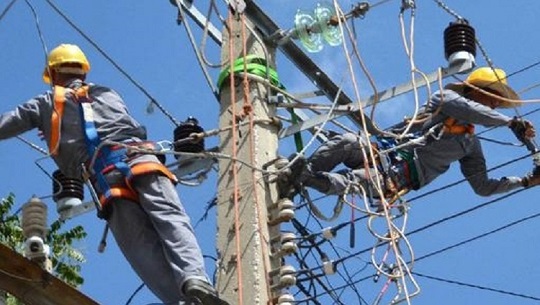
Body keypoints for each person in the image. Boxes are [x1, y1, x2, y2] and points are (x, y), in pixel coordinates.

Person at [0, 43, 229, 305]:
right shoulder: (109, 94)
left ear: (52, 75)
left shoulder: (45, 103)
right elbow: (100, 122)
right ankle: (194, 278)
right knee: (172, 220)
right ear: (83, 72)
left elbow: (9, 123)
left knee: (142, 249)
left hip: (107, 180)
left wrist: (53, 130)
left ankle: (183, 302)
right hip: (143, 161)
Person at [285, 67, 540, 201]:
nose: (495, 104)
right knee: (348, 141)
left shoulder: (469, 145)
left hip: (398, 177)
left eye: (498, 101)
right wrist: (511, 122)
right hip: (381, 151)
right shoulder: (446, 98)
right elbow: (470, 110)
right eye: (492, 96)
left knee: (358, 181)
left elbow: (483, 187)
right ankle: (297, 173)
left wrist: (526, 181)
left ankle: (307, 179)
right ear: (474, 90)